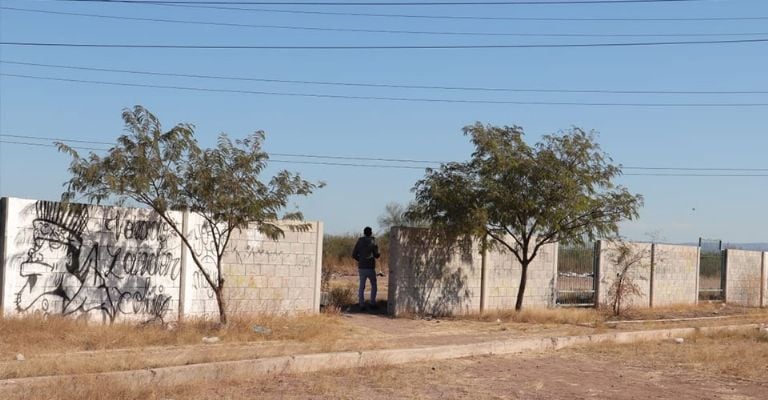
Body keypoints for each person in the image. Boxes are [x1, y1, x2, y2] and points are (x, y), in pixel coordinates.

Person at [352, 226, 380, 311]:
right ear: (370, 233)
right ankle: (372, 303)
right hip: (370, 267)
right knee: (374, 285)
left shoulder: (359, 241)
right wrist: (377, 250)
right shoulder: (372, 241)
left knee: (362, 286)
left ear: (364, 233)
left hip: (362, 267)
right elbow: (376, 255)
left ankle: (361, 304)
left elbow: (353, 255)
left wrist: (360, 259)